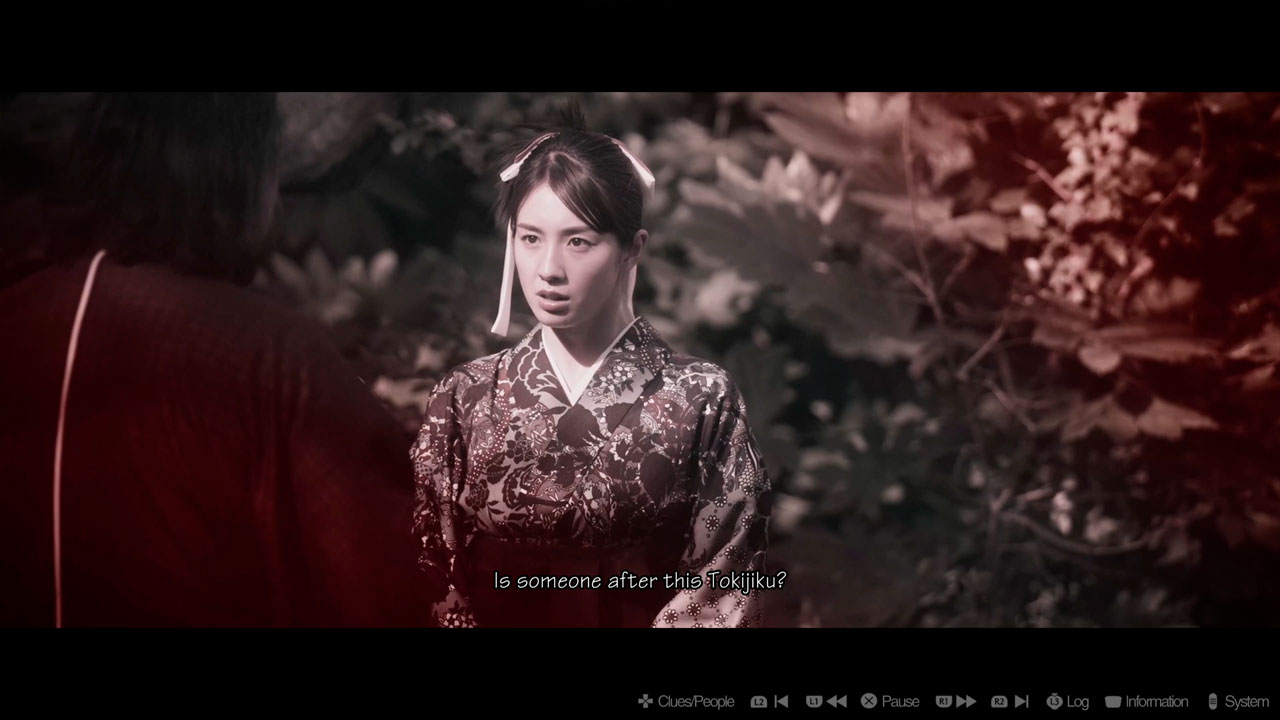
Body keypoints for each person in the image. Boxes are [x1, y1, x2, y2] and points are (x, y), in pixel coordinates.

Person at [0, 92, 433, 627]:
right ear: (239, 178)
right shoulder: (269, 351)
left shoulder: (14, 317)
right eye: (272, 174)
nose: (278, 208)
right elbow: (403, 572)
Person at [411, 108, 774, 627]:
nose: (548, 269)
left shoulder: (701, 397)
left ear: (632, 249)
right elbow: (432, 563)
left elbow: (728, 576)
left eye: (578, 241)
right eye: (530, 238)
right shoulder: (464, 395)